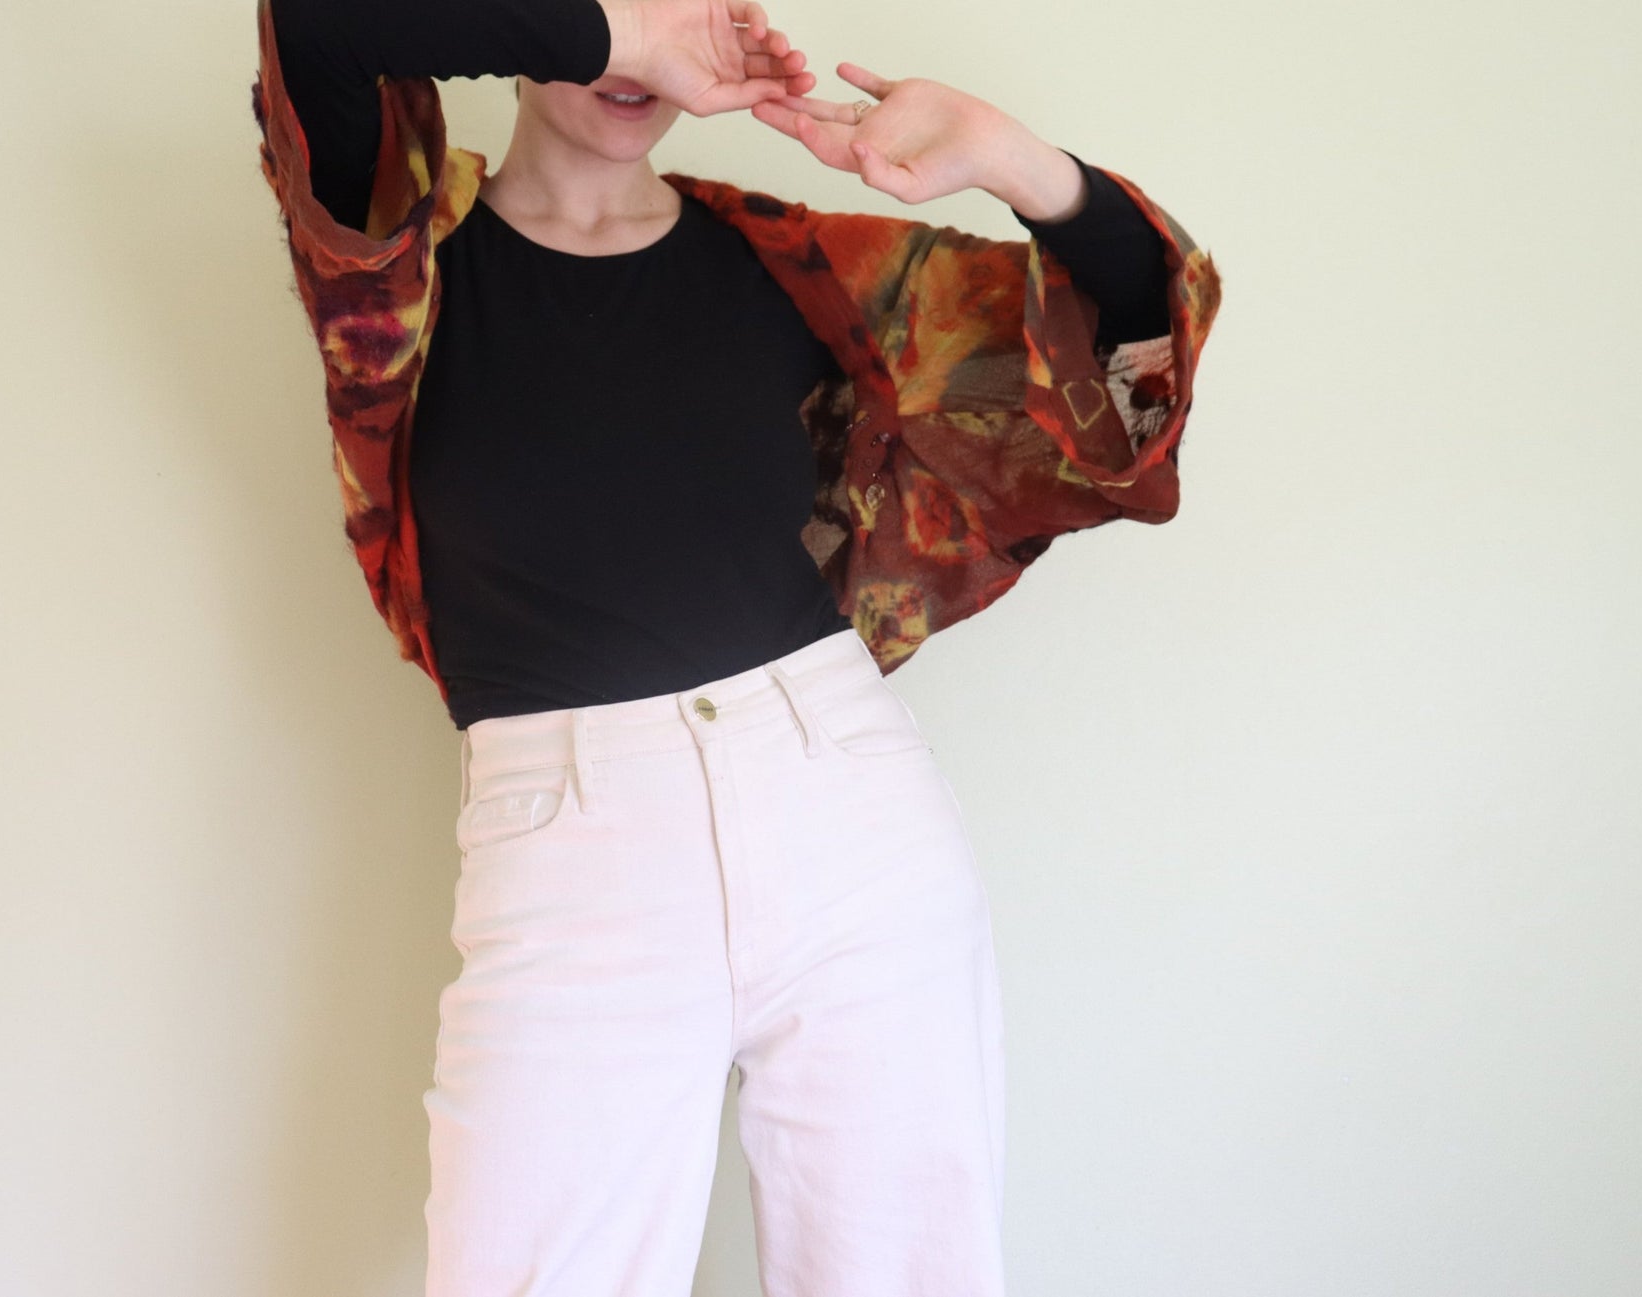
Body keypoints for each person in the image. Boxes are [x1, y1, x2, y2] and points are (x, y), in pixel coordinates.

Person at [252, 0, 1221, 1292]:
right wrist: (616, 38)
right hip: (570, 858)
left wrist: (1005, 156)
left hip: (850, 817)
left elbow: (1133, 354)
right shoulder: (398, 267)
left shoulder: (790, 266)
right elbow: (316, 22)